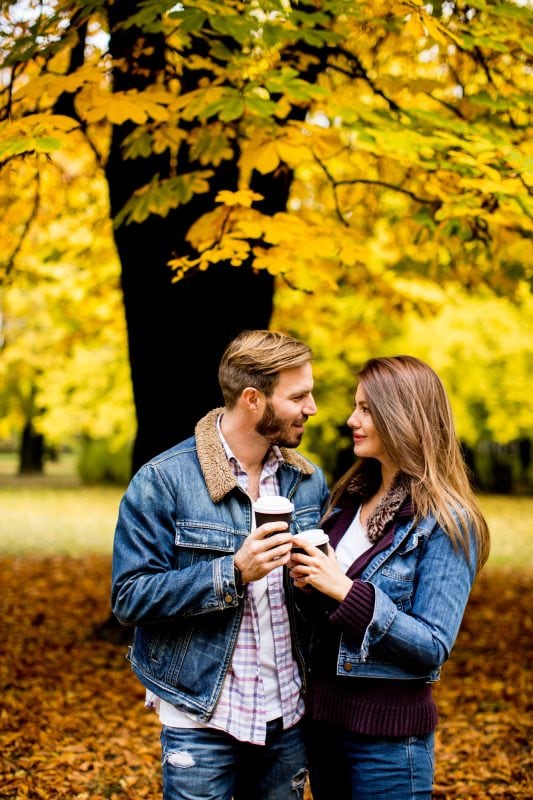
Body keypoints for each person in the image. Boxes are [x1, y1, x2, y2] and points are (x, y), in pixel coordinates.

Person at [111, 329, 330, 800]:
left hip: (287, 713)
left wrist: (317, 585)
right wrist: (232, 572)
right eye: (299, 396)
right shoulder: (163, 481)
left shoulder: (308, 481)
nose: (311, 408)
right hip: (202, 714)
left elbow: (317, 607)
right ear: (253, 398)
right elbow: (129, 597)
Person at [288, 355, 490, 800]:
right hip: (324, 726)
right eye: (355, 407)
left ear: (403, 417)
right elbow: (332, 619)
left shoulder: (445, 521)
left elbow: (432, 645)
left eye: (365, 409)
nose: (350, 419)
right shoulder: (346, 504)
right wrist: (309, 585)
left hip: (388, 743)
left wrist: (343, 589)